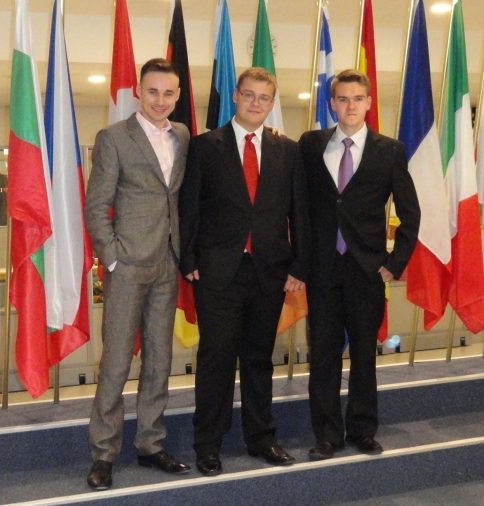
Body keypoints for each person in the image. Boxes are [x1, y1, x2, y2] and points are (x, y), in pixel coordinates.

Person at [178, 67, 310, 476]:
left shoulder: (287, 150)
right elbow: (189, 206)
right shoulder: (204, 147)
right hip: (217, 273)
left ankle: (261, 438)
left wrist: (299, 265)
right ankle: (208, 444)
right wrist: (188, 258)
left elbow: (299, 213)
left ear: (272, 103)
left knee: (258, 359)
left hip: (269, 272)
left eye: (264, 97)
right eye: (249, 95)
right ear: (235, 96)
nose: (256, 103)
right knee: (216, 359)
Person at [298, 69, 419, 459]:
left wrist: (394, 263)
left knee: (365, 353)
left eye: (357, 98)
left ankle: (363, 430)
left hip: (367, 269)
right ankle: (327, 435)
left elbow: (411, 213)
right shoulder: (310, 145)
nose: (350, 105)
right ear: (332, 103)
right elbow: (298, 203)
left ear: (368, 102)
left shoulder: (390, 150)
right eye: (343, 99)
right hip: (322, 269)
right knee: (324, 354)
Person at [83, 58, 192, 491]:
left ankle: (150, 443)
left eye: (168, 93)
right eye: (152, 92)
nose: (160, 100)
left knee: (160, 361)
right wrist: (112, 258)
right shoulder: (113, 137)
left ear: (177, 95)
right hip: (127, 265)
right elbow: (96, 205)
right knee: (115, 363)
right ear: (138, 93)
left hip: (168, 262)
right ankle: (104, 453)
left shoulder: (182, 135)